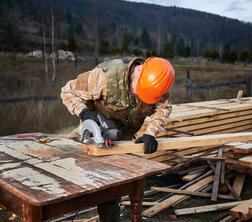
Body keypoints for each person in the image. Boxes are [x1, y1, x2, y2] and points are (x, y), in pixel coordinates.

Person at [60, 56, 175, 222]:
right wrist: (85, 112)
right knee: (75, 188)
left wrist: (151, 132)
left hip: (123, 144)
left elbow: (164, 108)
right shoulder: (105, 76)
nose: (140, 98)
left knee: (111, 193)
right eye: (140, 92)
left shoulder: (157, 83)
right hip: (94, 140)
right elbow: (67, 90)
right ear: (138, 71)